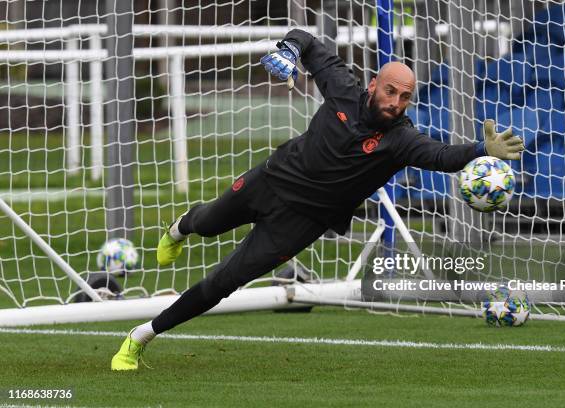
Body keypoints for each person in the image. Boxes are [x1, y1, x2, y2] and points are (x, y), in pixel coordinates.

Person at [111, 29, 524, 370]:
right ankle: (180, 227)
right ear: (375, 84)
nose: (396, 103)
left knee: (223, 282)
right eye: (391, 92)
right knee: (206, 223)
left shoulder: (401, 140)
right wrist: (288, 52)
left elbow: (441, 156)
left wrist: (480, 150)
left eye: (405, 98)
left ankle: (141, 336)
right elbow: (305, 40)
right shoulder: (343, 86)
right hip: (268, 182)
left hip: (299, 224)